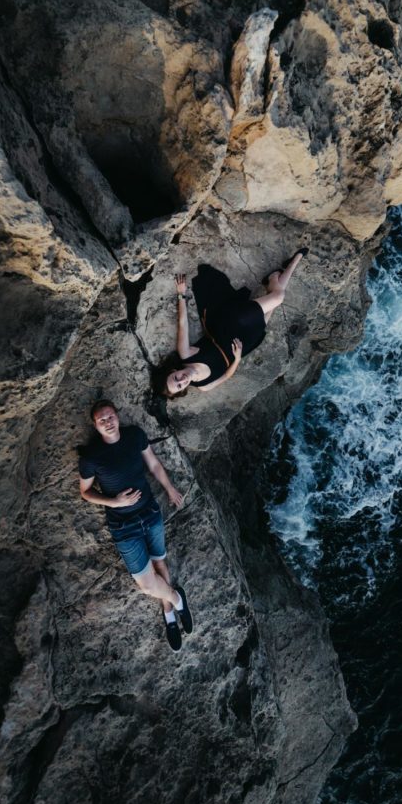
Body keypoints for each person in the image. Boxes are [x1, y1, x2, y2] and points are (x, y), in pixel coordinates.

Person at [78, 399, 193, 652]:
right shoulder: (90, 457)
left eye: (110, 416)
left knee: (160, 562)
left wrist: (170, 489)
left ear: (117, 416)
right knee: (147, 584)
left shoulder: (134, 436)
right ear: (95, 425)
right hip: (123, 526)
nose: (108, 422)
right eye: (102, 420)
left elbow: (152, 464)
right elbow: (85, 492)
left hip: (150, 513)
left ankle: (170, 616)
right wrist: (114, 502)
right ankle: (177, 598)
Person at [161, 252, 305, 397]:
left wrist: (181, 294)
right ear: (182, 390)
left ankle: (276, 275)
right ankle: (288, 268)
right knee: (273, 304)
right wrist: (236, 358)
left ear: (173, 371)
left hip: (229, 325)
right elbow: (226, 376)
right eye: (179, 386)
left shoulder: (185, 354)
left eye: (176, 378)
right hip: (243, 344)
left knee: (278, 297)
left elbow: (183, 324)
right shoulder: (203, 386)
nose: (182, 380)